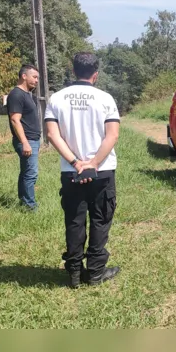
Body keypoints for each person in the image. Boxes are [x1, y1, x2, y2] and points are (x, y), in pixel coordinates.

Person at [44, 52, 121, 288]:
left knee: (74, 221)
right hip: (102, 171)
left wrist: (76, 162)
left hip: (71, 172)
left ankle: (75, 274)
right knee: (100, 219)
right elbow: (113, 135)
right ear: (95, 74)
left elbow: (52, 134)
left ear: (73, 70)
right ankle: (96, 272)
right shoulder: (106, 99)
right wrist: (94, 162)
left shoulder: (57, 99)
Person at [7, 64, 41, 211]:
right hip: (27, 140)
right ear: (24, 76)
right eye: (34, 77)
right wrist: (25, 142)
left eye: (38, 78)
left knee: (26, 172)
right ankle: (30, 206)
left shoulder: (28, 94)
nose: (37, 80)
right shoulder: (16, 95)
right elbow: (15, 119)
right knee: (31, 173)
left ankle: (24, 202)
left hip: (32, 139)